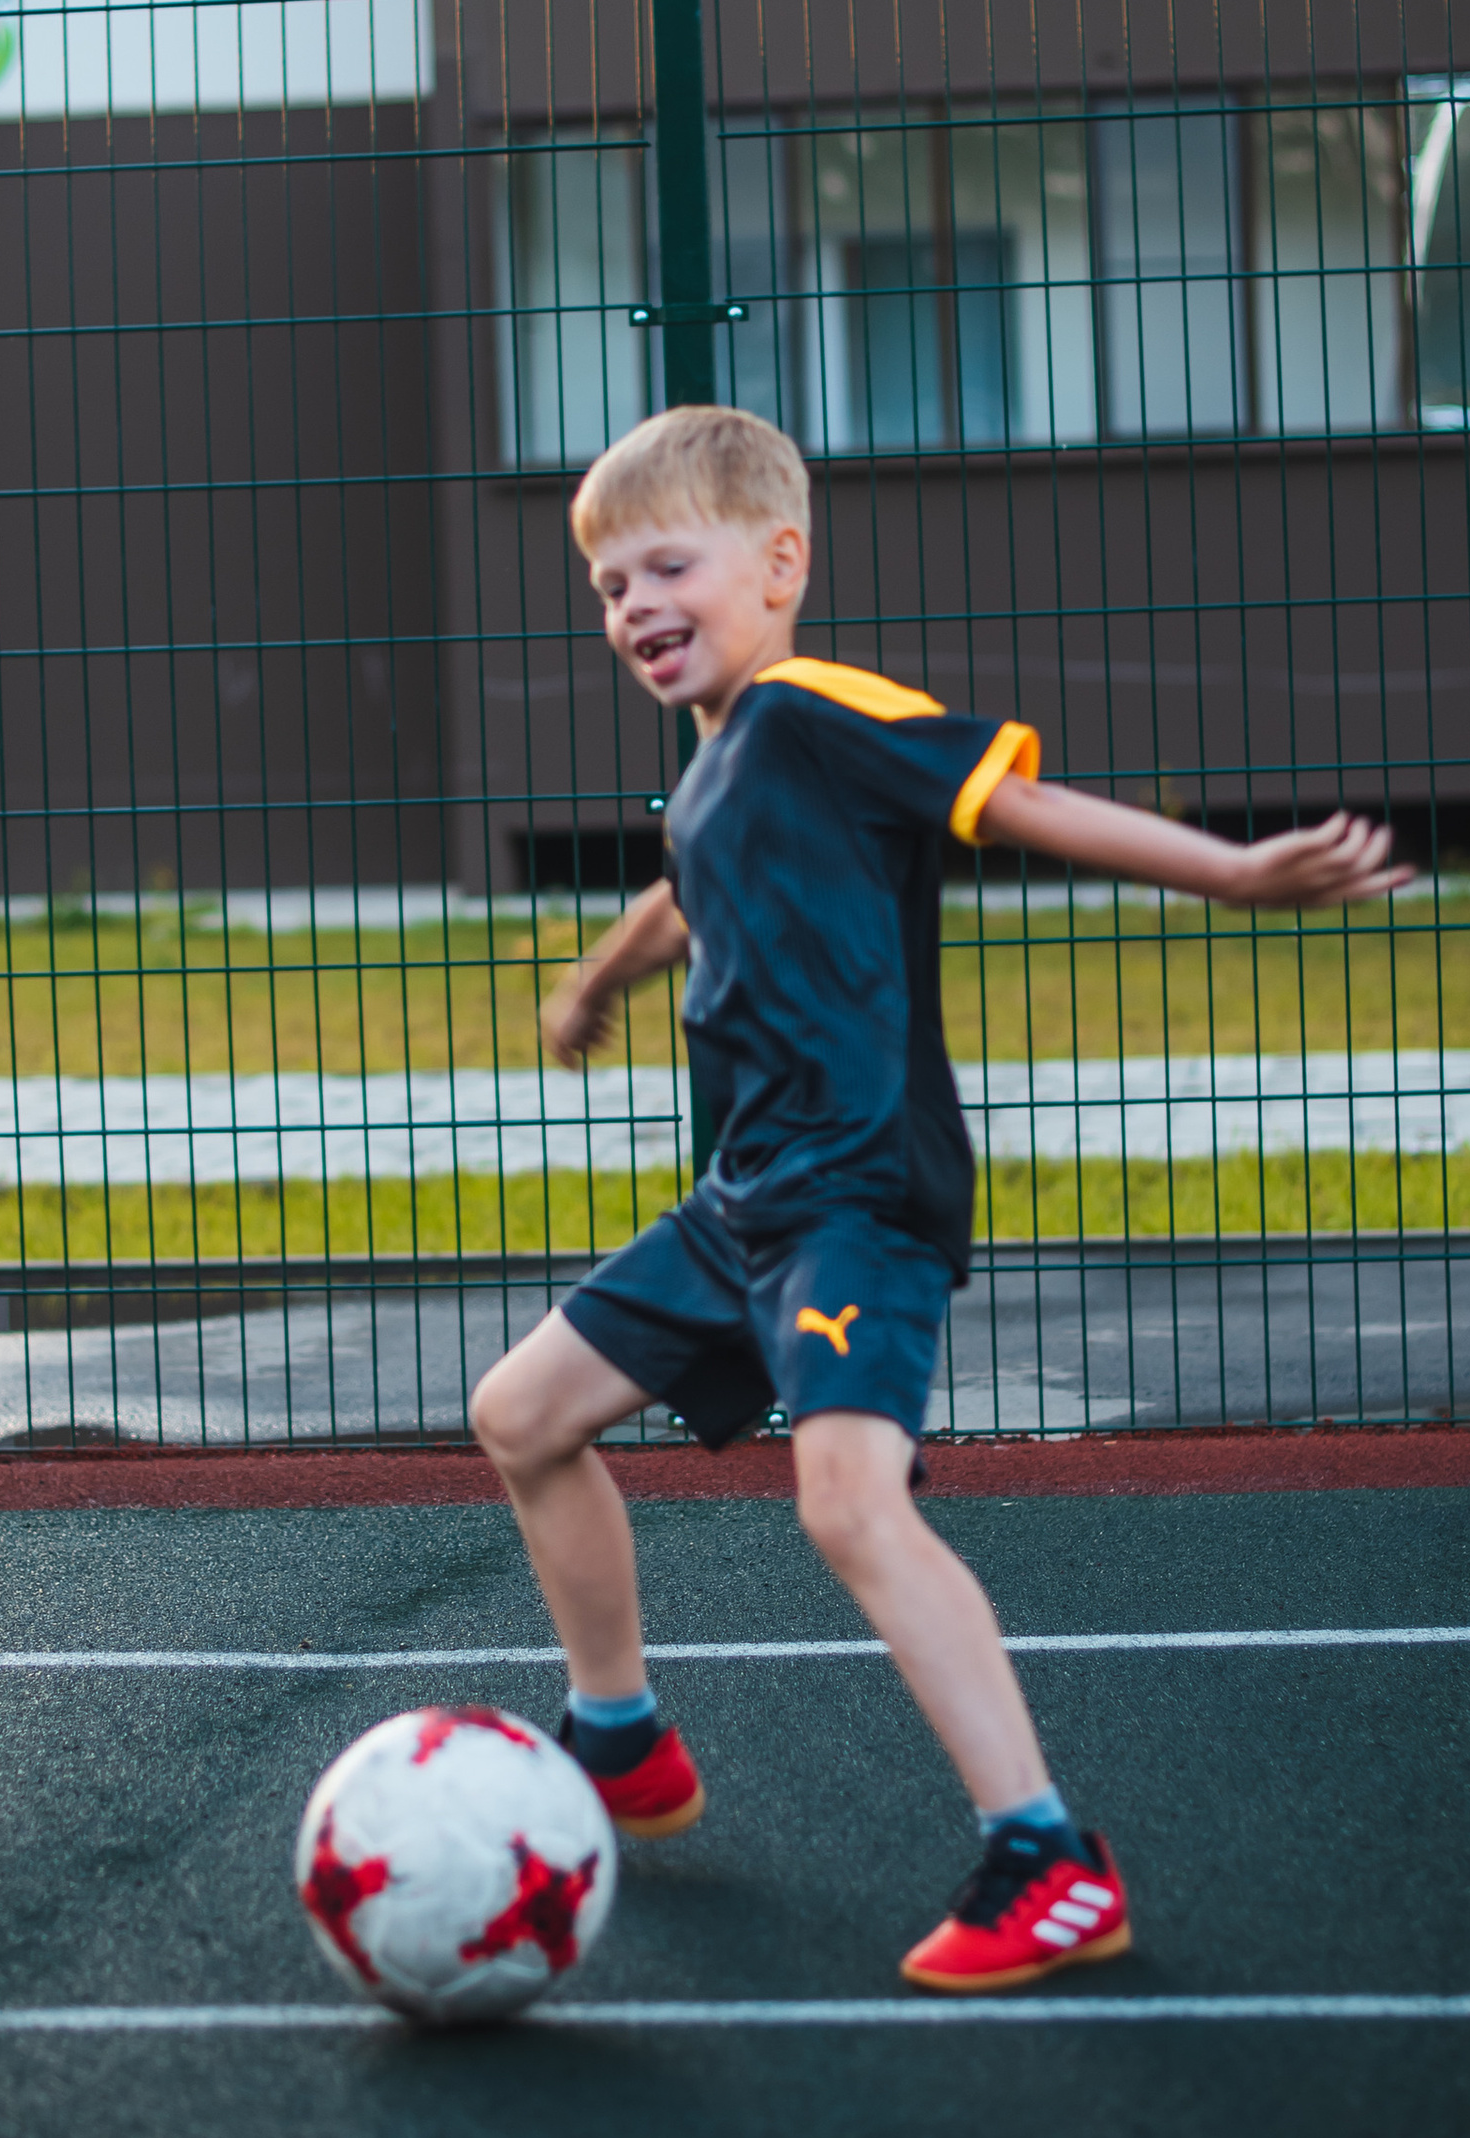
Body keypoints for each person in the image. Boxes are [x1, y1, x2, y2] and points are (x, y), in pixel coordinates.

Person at [469, 404, 1414, 1995]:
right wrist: (595, 978)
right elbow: (687, 885)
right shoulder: (717, 767)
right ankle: (619, 1737)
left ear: (780, 565)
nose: (635, 606)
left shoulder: (817, 712)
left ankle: (1048, 1860)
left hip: (856, 1196)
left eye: (668, 567)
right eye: (610, 585)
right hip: (747, 1199)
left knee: (848, 1503)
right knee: (520, 1412)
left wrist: (1239, 874)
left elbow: (1020, 802)